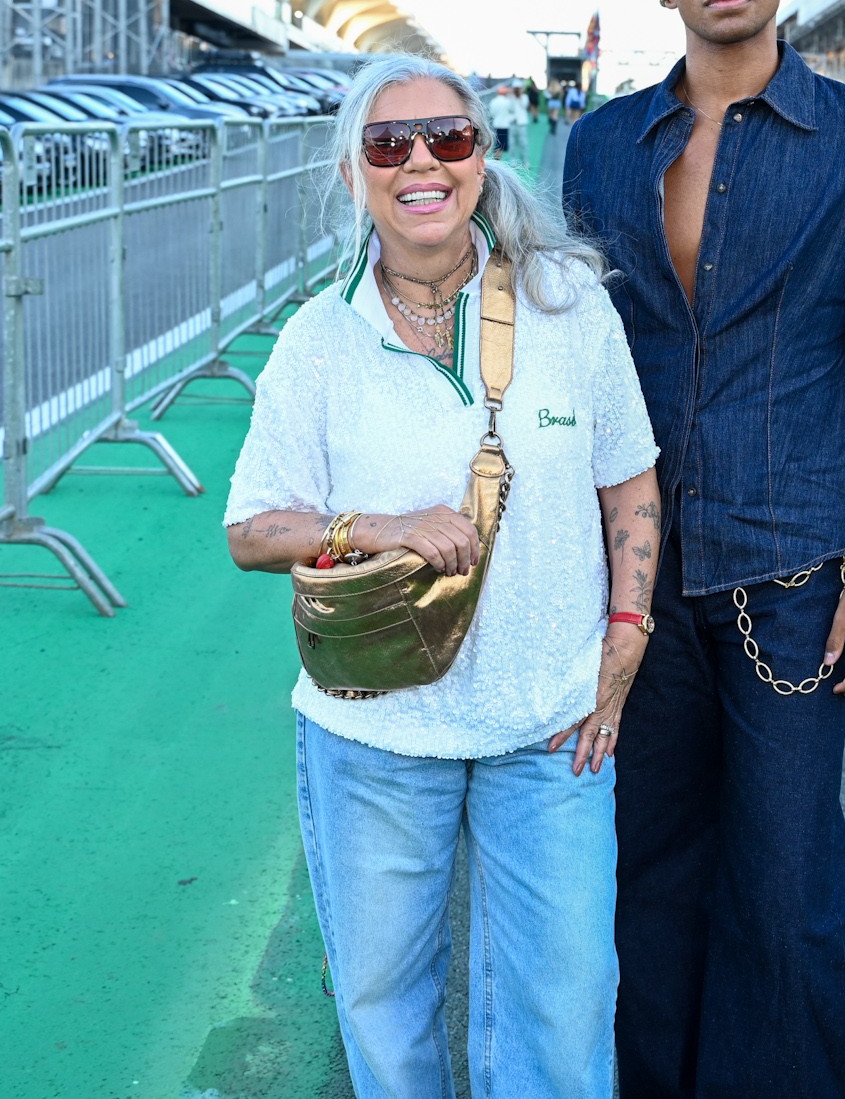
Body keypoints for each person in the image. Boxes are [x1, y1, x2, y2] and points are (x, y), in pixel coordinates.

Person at [561, 0, 845, 1099]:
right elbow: (569, 352)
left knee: (783, 888)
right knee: (649, 871)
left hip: (788, 566)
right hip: (633, 571)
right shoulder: (603, 145)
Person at [225, 54, 663, 1099]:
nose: (421, 160)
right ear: (353, 173)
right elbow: (250, 528)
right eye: (389, 143)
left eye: (448, 138)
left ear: (481, 156)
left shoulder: (567, 305)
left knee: (563, 1017)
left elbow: (631, 485)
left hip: (547, 726)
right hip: (372, 732)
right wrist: (378, 526)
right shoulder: (319, 337)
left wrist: (627, 633)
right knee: (383, 1013)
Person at [487, 82, 522, 159]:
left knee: (498, 142)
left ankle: (497, 157)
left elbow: (491, 113)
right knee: (504, 144)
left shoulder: (494, 101)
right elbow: (513, 110)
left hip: (496, 124)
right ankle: (499, 158)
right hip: (506, 125)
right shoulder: (508, 101)